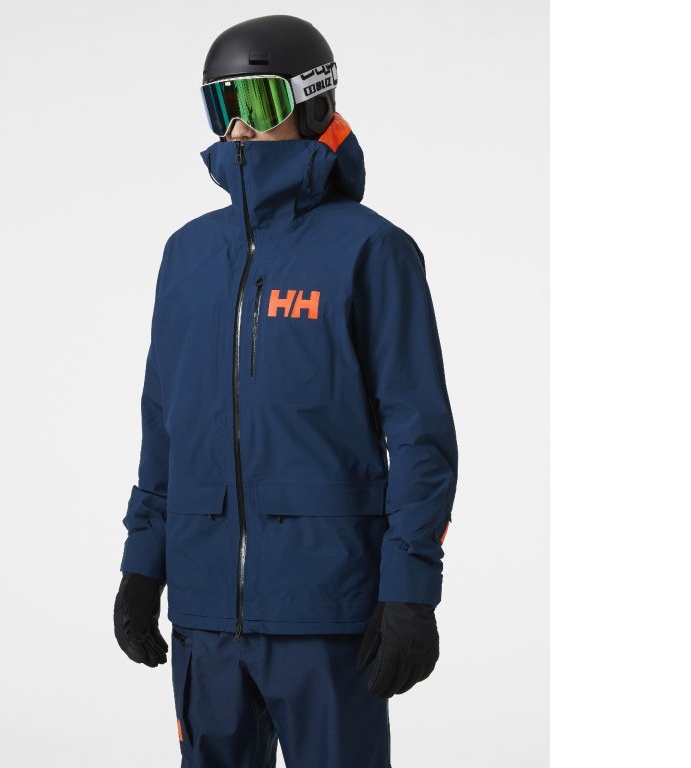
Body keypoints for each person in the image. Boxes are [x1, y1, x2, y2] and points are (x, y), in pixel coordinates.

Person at [113, 14, 458, 768]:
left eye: (258, 102)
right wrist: (144, 564)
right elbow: (162, 428)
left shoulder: (371, 250)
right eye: (221, 105)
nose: (237, 126)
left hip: (327, 611)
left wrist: (411, 588)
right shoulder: (187, 255)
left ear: (312, 102)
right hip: (206, 614)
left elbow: (420, 437)